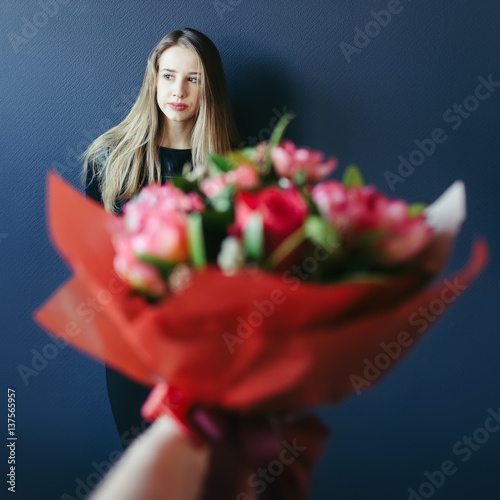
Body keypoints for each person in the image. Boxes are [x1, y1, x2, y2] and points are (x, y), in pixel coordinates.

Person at [82, 27, 240, 449]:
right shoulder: (109, 161)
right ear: (153, 78)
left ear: (210, 87)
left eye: (194, 78)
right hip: (133, 349)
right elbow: (96, 264)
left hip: (206, 350)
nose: (178, 90)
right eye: (168, 76)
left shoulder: (234, 169)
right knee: (144, 468)